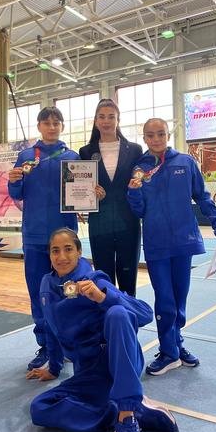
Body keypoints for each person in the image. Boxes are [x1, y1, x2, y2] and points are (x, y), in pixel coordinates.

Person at [28, 228, 178, 432]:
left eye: (68, 249)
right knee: (39, 408)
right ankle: (128, 411)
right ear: (49, 255)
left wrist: (103, 297)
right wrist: (54, 368)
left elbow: (144, 313)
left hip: (120, 362)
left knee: (117, 313)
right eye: (55, 251)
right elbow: (51, 328)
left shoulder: (95, 279)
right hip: (88, 372)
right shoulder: (47, 285)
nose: (62, 256)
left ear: (79, 252)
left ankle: (127, 419)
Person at [127, 118, 216, 376]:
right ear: (144, 138)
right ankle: (168, 351)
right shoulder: (139, 169)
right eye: (150, 135)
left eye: (160, 134)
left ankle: (176, 344)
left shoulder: (186, 163)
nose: (156, 139)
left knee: (179, 299)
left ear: (167, 134)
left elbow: (203, 197)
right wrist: (133, 192)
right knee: (165, 299)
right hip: (157, 244)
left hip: (184, 242)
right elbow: (138, 210)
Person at [8, 107, 79, 371]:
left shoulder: (73, 157)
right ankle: (46, 346)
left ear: (62, 126)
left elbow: (81, 195)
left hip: (65, 237)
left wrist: (91, 193)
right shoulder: (26, 156)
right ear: (39, 126)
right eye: (46, 123)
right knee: (39, 293)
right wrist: (13, 180)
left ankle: (68, 343)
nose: (51, 127)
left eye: (56, 123)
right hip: (35, 236)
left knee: (68, 291)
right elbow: (17, 193)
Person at [79, 99, 143, 296]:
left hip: (128, 221)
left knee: (128, 277)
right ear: (95, 121)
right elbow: (80, 184)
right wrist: (90, 192)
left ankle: (128, 313)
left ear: (118, 120)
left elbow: (140, 181)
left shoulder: (135, 150)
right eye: (102, 117)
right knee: (103, 277)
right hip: (100, 222)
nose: (106, 121)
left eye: (111, 117)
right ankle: (106, 314)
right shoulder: (86, 151)